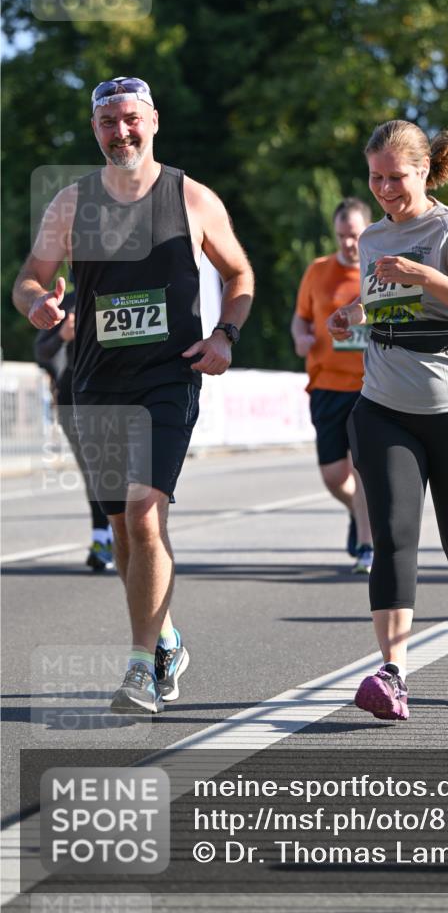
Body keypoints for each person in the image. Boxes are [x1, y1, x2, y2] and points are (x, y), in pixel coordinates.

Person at [13, 76, 254, 714]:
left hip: (167, 378)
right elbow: (28, 280)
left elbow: (239, 273)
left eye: (129, 119)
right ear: (95, 130)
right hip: (94, 382)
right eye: (107, 123)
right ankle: (168, 637)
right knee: (123, 531)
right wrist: (39, 305)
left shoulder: (192, 197)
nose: (120, 132)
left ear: (153, 120)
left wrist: (225, 334)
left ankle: (141, 666)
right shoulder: (71, 203)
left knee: (146, 514)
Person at [328, 120, 448, 721]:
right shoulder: (374, 237)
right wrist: (352, 313)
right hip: (384, 408)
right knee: (393, 538)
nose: (383, 189)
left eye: (395, 178)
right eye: (375, 177)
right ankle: (393, 672)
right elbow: (386, 302)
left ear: (424, 172)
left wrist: (428, 274)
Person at [291, 198, 374, 573]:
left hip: (369, 384)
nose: (348, 244)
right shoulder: (318, 270)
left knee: (361, 466)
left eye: (354, 236)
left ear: (367, 232)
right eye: (341, 236)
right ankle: (360, 515)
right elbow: (300, 319)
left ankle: (367, 547)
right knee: (333, 475)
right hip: (324, 382)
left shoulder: (378, 271)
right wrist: (300, 338)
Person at [34, 290, 114, 572]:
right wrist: (62, 336)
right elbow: (41, 350)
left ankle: (121, 534)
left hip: (118, 398)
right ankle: (102, 537)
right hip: (73, 403)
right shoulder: (65, 303)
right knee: (94, 472)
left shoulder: (122, 294)